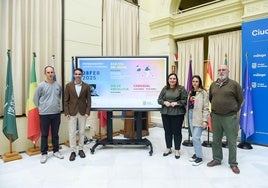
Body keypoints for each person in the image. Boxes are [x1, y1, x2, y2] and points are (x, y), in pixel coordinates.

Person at [207, 64, 243, 174]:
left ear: (228, 71)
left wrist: (233, 110)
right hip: (216, 116)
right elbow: (211, 98)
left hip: (229, 117)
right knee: (216, 140)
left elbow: (240, 99)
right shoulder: (213, 85)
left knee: (231, 141)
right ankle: (217, 159)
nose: (221, 72)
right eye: (219, 70)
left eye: (223, 70)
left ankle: (233, 163)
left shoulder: (234, 85)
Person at [34, 65, 64, 164]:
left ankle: (56, 151)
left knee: (55, 134)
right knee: (44, 135)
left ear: (54, 73)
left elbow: (59, 97)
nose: (50, 74)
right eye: (48, 72)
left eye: (52, 72)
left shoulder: (58, 85)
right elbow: (35, 100)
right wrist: (43, 108)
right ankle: (44, 153)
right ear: (45, 74)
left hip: (56, 113)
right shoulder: (41, 86)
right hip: (44, 114)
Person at [158, 73, 188, 159]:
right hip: (165, 113)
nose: (172, 80)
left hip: (178, 113)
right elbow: (159, 99)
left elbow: (185, 100)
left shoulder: (181, 88)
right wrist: (164, 102)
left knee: (177, 132)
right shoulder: (165, 88)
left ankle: (177, 150)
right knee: (167, 131)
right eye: (170, 78)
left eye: (174, 78)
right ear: (168, 80)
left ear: (176, 80)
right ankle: (168, 148)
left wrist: (177, 103)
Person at [64, 68, 91, 161]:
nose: (78, 75)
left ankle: (81, 149)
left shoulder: (87, 86)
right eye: (76, 74)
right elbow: (65, 100)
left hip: (83, 112)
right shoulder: (68, 86)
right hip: (71, 112)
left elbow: (89, 101)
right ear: (73, 75)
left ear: (82, 75)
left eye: (79, 74)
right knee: (72, 133)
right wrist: (66, 112)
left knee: (82, 132)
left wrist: (87, 112)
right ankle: (73, 151)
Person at [186, 75, 209, 166]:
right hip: (191, 115)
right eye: (193, 81)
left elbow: (206, 107)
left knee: (196, 137)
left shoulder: (203, 93)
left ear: (199, 82)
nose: (195, 83)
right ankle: (196, 154)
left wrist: (205, 120)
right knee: (194, 137)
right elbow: (189, 104)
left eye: (196, 81)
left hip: (199, 116)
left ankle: (200, 157)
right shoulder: (191, 92)